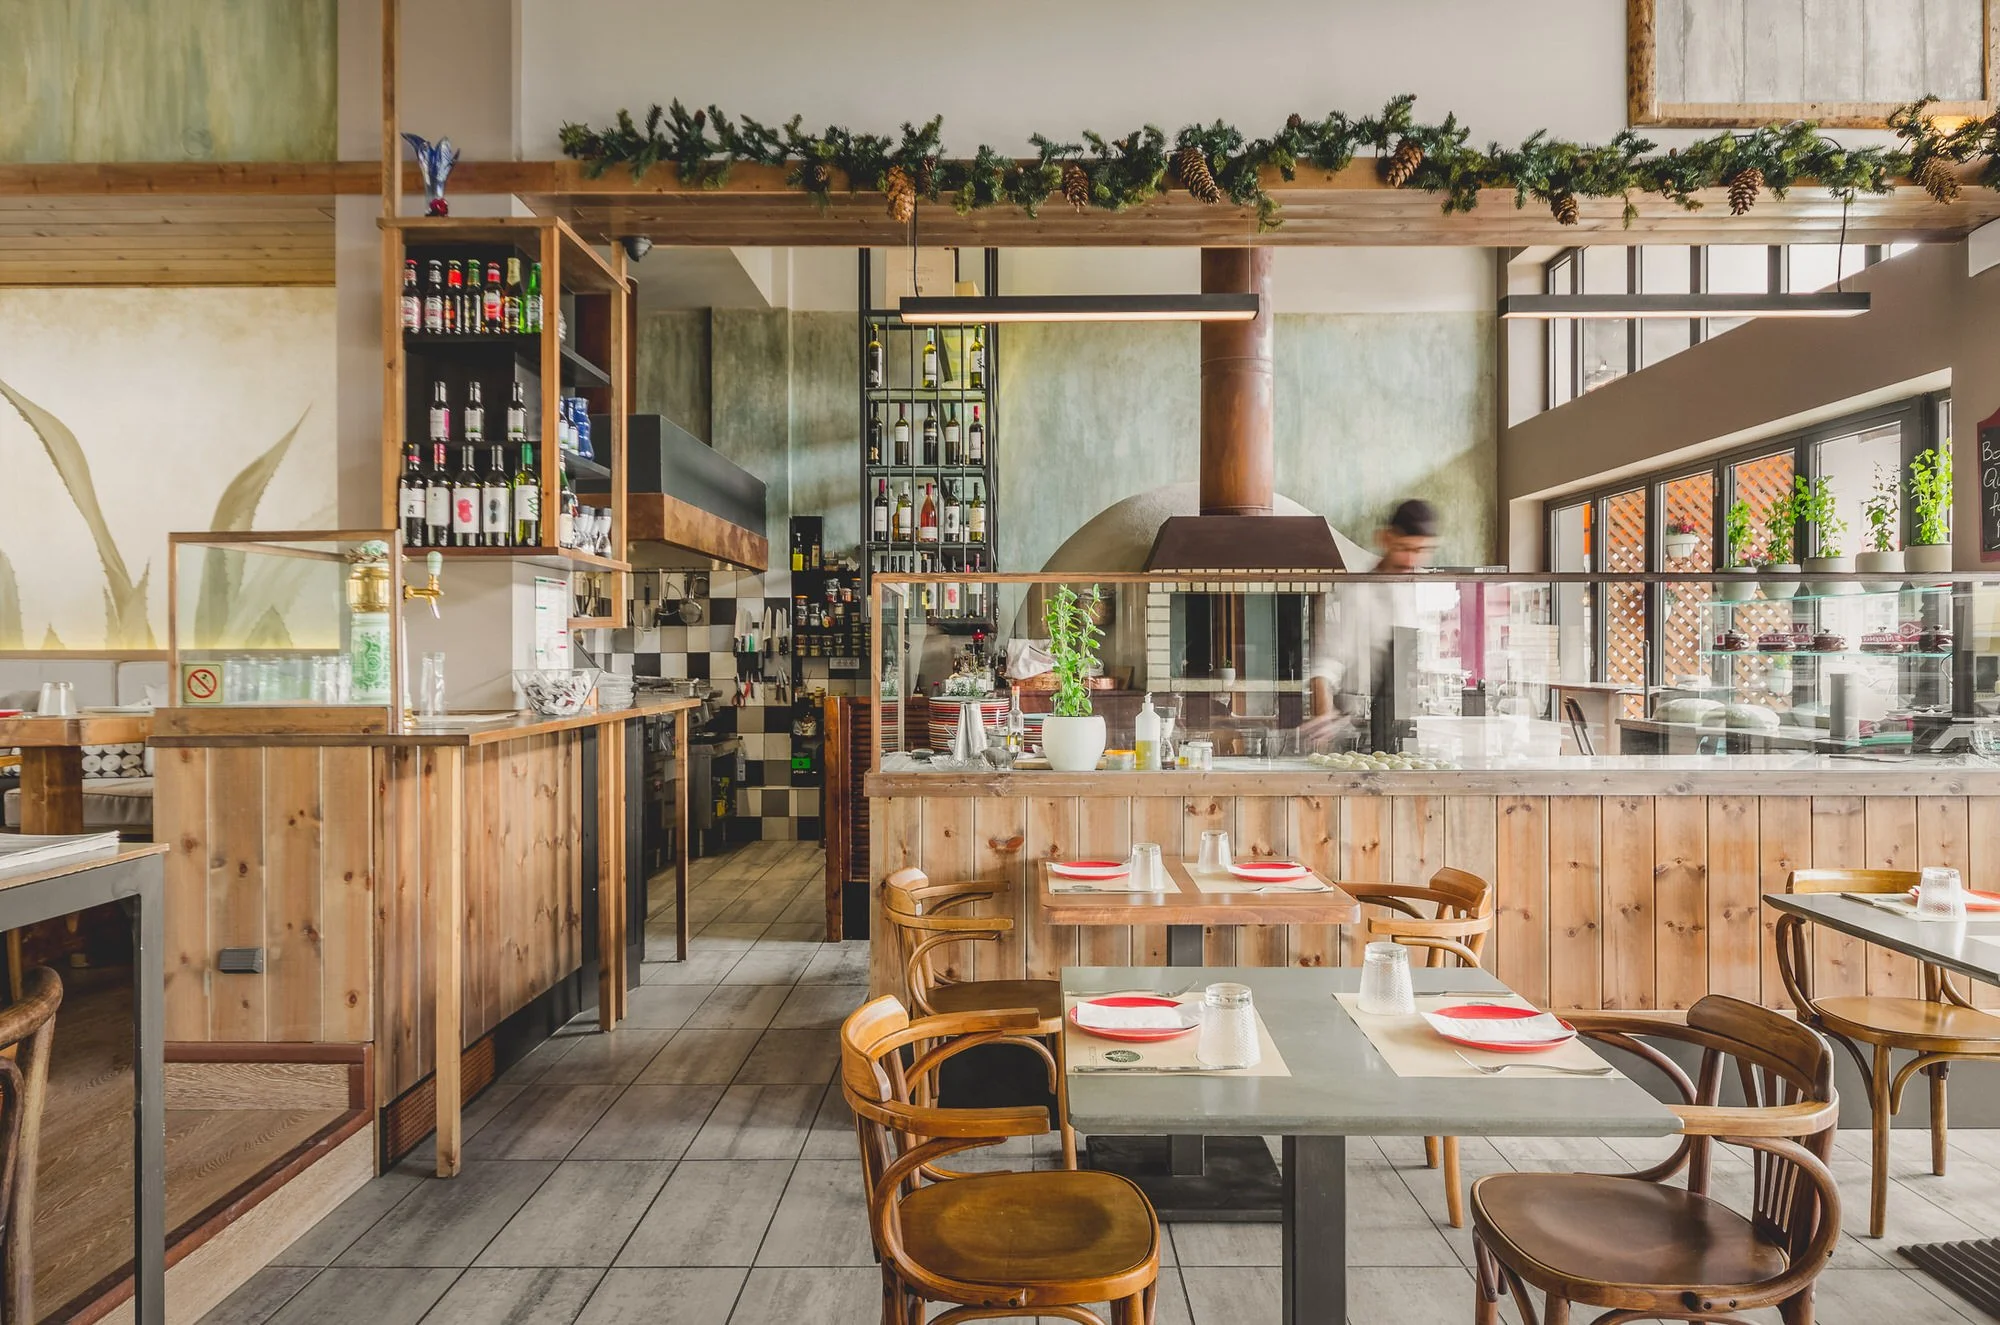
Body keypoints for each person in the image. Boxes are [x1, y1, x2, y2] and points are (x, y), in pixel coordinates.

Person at [1303, 499, 1440, 748]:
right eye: (1403, 548)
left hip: (1410, 728)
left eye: (1420, 551)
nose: (1410, 560)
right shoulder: (1359, 593)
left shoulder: (1426, 591)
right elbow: (1327, 663)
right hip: (1361, 731)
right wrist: (1324, 714)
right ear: (1385, 538)